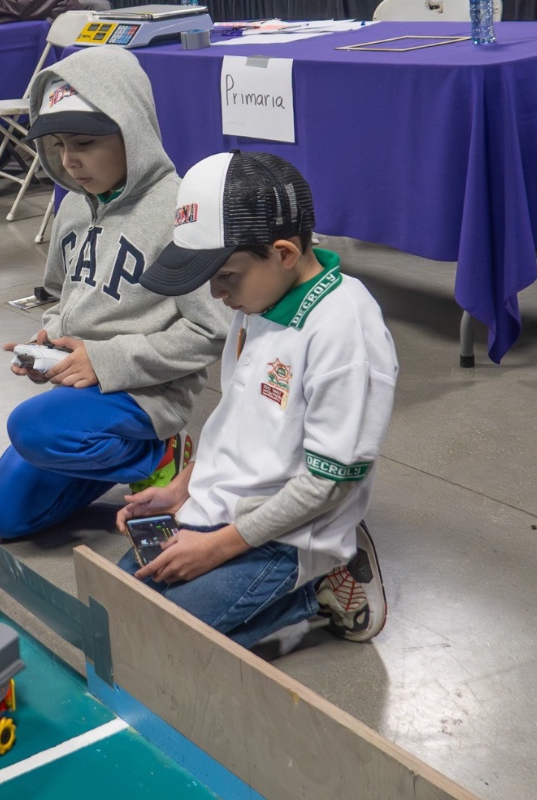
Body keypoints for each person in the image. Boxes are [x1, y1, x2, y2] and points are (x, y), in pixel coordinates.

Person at [116, 151, 398, 648]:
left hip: (288, 536)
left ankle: (320, 581)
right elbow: (242, 423)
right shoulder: (259, 298)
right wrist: (182, 488)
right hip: (221, 511)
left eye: (226, 276)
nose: (216, 294)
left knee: (156, 639)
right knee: (117, 600)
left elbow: (328, 483)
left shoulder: (344, 332)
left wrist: (216, 549)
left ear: (284, 253)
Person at [0, 46, 230, 540]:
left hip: (147, 393)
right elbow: (66, 295)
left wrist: (106, 360)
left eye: (84, 142)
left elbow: (212, 331)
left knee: (31, 428)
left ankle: (159, 454)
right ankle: (97, 454)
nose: (69, 161)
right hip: (81, 392)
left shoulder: (181, 210)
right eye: (57, 144)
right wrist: (50, 343)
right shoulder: (75, 206)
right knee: (4, 515)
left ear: (132, 130)